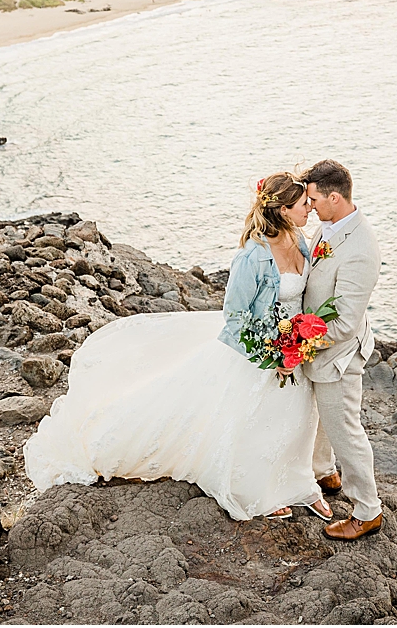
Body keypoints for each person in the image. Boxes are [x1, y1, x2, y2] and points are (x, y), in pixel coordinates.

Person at [22, 171, 333, 522]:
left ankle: (298, 482)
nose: (310, 208)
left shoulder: (300, 239)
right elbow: (235, 318)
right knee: (254, 422)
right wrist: (269, 356)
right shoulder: (253, 258)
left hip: (293, 347)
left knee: (294, 418)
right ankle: (257, 491)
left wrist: (302, 337)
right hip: (261, 352)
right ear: (282, 209)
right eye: (303, 204)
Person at [301, 159, 384, 539]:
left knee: (346, 430)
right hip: (320, 347)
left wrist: (299, 340)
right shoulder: (331, 225)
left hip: (338, 354)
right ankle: (324, 472)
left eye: (314, 198)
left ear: (335, 197)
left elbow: (345, 322)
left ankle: (367, 511)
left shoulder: (361, 247)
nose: (310, 205)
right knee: (321, 418)